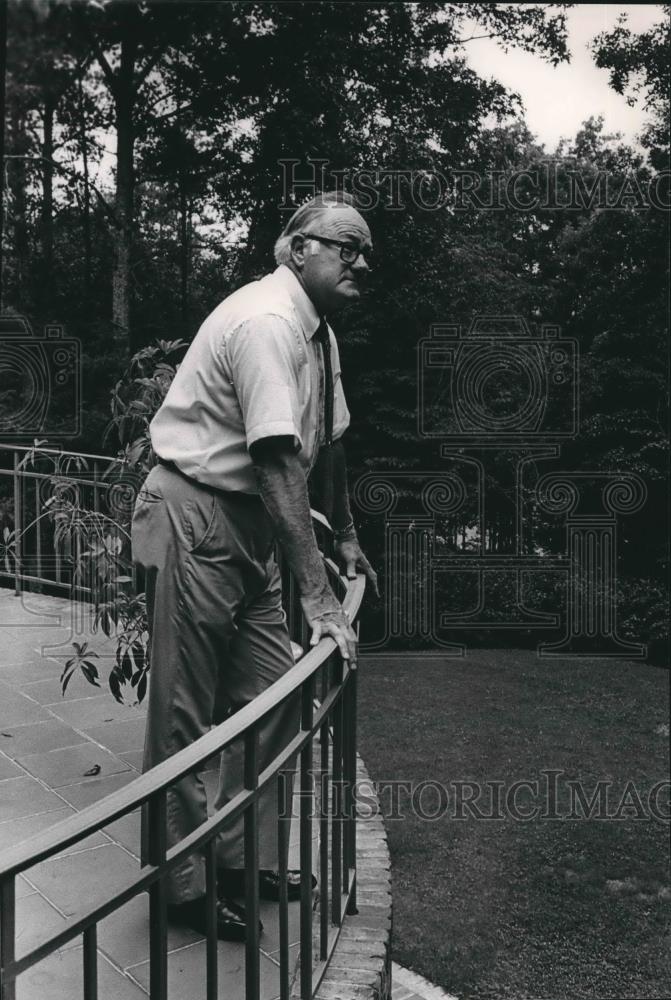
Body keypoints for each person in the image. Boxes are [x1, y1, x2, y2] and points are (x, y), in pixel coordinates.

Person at [131, 190, 378, 942]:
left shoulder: (318, 332)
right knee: (184, 714)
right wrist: (320, 598)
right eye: (345, 245)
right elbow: (274, 461)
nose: (359, 260)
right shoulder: (269, 322)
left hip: (252, 527)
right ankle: (181, 888)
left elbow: (322, 444)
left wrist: (343, 539)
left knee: (275, 700)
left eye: (365, 249)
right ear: (298, 248)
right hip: (195, 512)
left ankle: (238, 862)